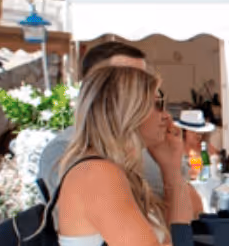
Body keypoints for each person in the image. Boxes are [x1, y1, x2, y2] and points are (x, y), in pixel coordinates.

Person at [52, 64, 198, 246]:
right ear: (127, 110)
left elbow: (179, 238)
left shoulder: (114, 171)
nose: (167, 117)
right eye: (157, 106)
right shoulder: (96, 173)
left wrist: (171, 169)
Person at [37, 40, 163, 197]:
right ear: (97, 84)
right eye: (128, 80)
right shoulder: (67, 150)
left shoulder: (148, 145)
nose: (140, 89)